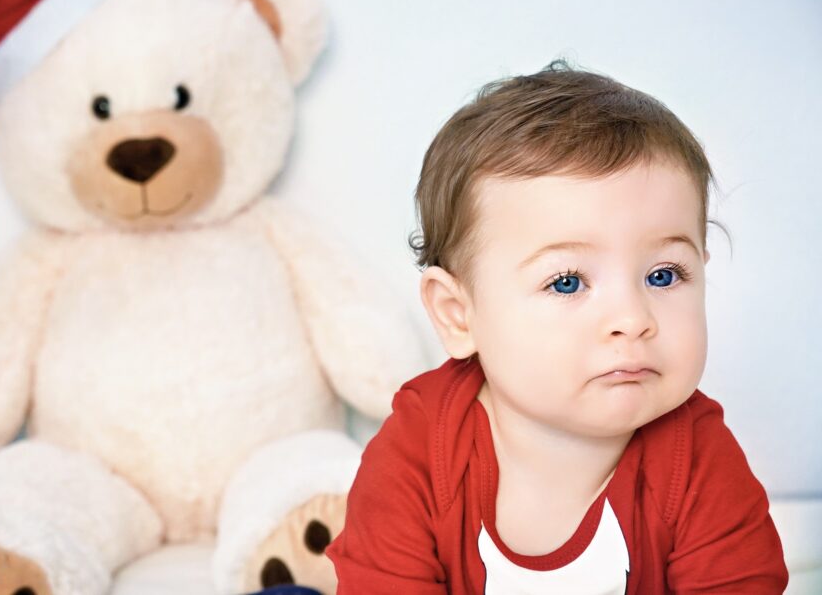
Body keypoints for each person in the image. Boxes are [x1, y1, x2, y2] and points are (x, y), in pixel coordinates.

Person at [324, 60, 788, 593]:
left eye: (663, 274)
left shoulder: (698, 459)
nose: (632, 319)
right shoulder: (418, 450)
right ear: (459, 315)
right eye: (567, 282)